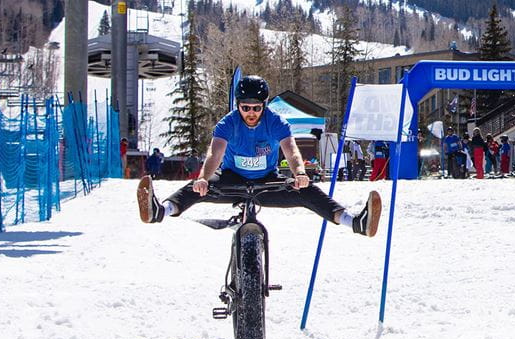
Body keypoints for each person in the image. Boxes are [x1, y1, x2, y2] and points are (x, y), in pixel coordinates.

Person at [137, 75, 382, 237]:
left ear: (264, 105)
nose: (251, 113)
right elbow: (215, 152)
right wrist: (203, 177)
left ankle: (354, 222)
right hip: (232, 180)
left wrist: (299, 173)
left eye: (256, 108)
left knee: (309, 192)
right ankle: (161, 210)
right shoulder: (227, 124)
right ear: (238, 105)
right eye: (245, 108)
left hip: (267, 182)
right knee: (196, 188)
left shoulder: (276, 122)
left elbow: (291, 150)